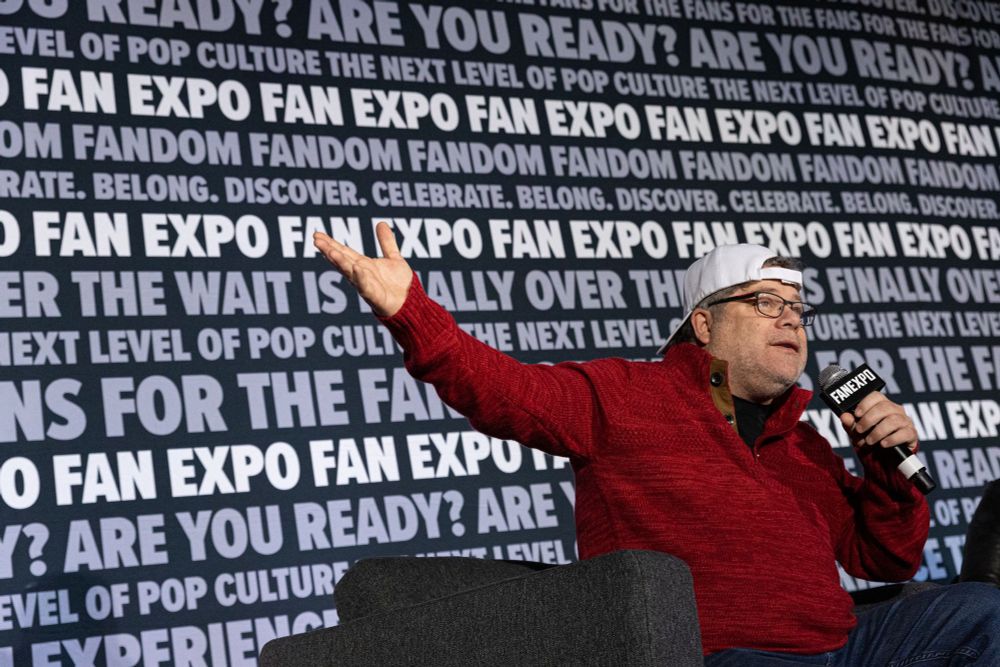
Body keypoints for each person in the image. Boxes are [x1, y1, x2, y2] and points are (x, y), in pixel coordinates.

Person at [314, 224, 1000, 665]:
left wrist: (887, 469)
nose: (790, 320)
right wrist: (411, 311)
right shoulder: (625, 395)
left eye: (797, 308)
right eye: (766, 302)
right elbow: (501, 390)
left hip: (846, 646)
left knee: (979, 611)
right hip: (723, 655)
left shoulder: (804, 440)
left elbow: (884, 556)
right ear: (704, 323)